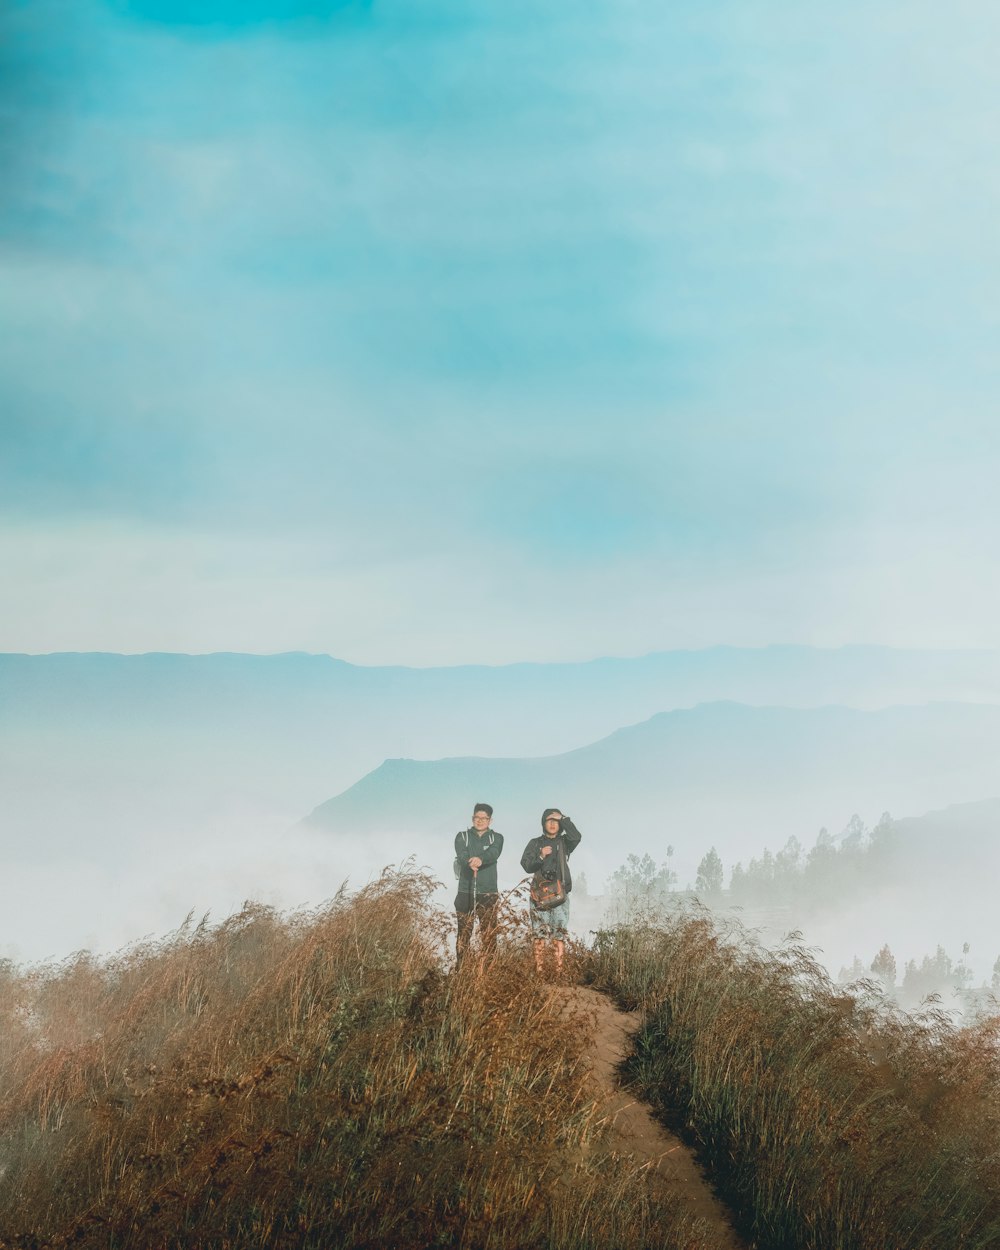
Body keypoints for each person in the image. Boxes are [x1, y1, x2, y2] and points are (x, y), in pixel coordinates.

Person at [520, 808, 582, 975]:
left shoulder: (564, 842)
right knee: (539, 933)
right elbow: (526, 865)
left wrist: (564, 818)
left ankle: (559, 972)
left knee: (559, 933)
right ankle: (539, 972)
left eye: (556, 820)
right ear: (543, 823)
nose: (553, 823)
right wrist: (540, 856)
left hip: (561, 895)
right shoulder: (535, 843)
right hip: (539, 896)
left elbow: (576, 836)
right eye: (549, 820)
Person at [454, 802, 504, 966]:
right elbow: (461, 854)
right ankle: (462, 971)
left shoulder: (496, 837)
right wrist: (470, 861)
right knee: (463, 933)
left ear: (490, 820)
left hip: (488, 892)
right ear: (472, 818)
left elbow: (494, 852)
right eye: (477, 817)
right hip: (465, 892)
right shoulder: (462, 836)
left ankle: (489, 971)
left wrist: (480, 859)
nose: (480, 821)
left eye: (485, 818)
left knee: (489, 934)